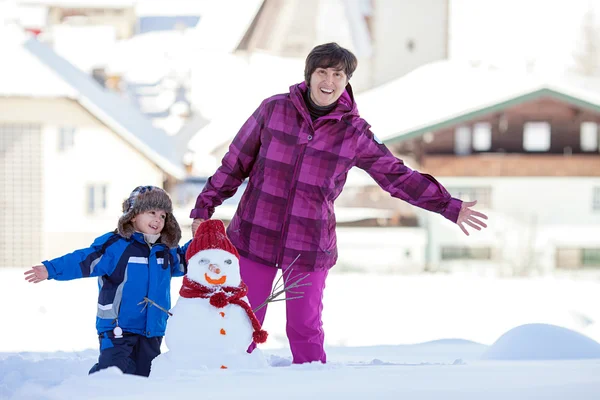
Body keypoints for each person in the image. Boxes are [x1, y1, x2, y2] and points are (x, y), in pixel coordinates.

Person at [190, 42, 488, 364]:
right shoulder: (274, 110)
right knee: (241, 323)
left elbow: (396, 176)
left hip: (310, 242)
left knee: (304, 328)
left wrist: (448, 205)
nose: (328, 81)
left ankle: (314, 387)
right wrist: (203, 208)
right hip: (254, 233)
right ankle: (226, 384)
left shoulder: (354, 133)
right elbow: (235, 163)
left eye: (338, 74)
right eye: (322, 72)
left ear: (346, 81)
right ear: (309, 75)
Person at [24, 186, 191, 377]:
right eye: (152, 212)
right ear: (133, 215)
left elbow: (190, 261)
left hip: (152, 329)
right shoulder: (116, 246)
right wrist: (51, 269)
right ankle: (89, 390)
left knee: (145, 377)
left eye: (163, 216)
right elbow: (84, 259)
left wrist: (203, 239)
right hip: (117, 327)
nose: (158, 219)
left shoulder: (167, 251)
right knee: (112, 372)